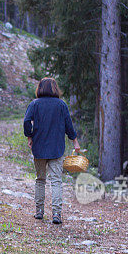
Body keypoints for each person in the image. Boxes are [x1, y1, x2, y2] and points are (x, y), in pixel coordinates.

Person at [23, 77, 80, 224]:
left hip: (39, 147)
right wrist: (74, 141)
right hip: (56, 148)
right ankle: (56, 214)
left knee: (40, 180)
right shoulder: (61, 105)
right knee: (56, 181)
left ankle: (39, 211)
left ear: (40, 88)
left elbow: (26, 121)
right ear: (55, 88)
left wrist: (30, 136)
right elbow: (68, 125)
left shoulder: (34, 104)